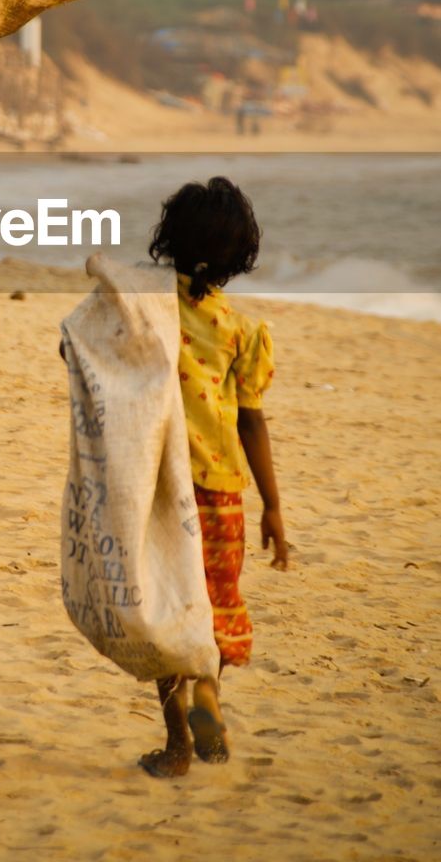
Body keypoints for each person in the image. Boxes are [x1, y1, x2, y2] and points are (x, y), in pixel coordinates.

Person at [139, 176, 289, 777]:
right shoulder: (242, 331)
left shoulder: (143, 309)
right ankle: (209, 703)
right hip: (222, 489)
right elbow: (252, 421)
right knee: (215, 606)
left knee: (164, 613)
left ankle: (178, 747)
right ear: (240, 255)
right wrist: (272, 506)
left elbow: (79, 354)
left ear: (169, 240)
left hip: (156, 488)